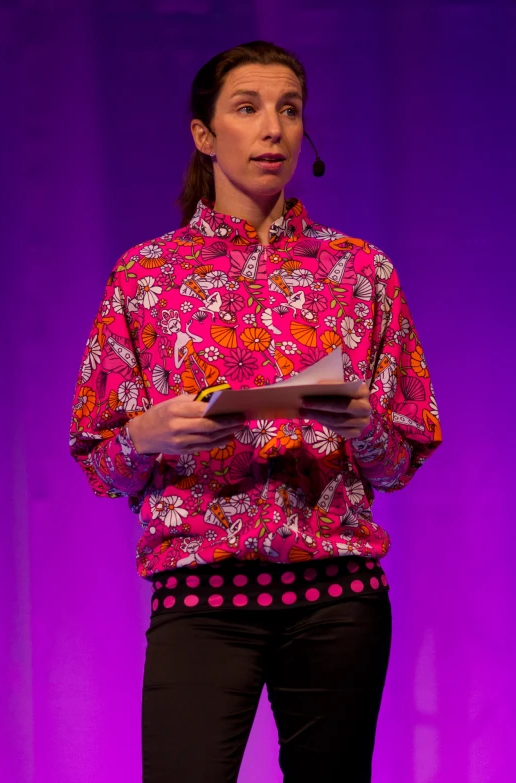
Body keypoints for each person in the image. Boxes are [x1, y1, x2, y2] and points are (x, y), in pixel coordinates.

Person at [70, 40, 442, 783]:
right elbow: (102, 467)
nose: (273, 128)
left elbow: (401, 462)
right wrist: (142, 435)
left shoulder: (360, 271)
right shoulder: (145, 277)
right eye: (248, 109)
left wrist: (362, 425)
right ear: (205, 136)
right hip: (202, 595)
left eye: (290, 109)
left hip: (337, 598)